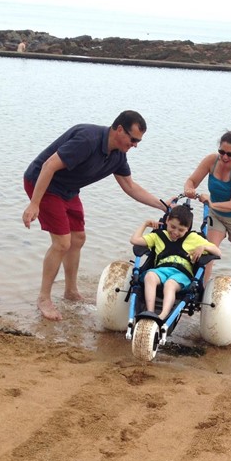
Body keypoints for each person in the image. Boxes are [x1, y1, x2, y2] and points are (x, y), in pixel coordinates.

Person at [22, 110, 165, 321]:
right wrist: (34, 203)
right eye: (133, 139)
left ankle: (70, 291)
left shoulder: (118, 155)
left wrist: (162, 205)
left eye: (138, 141)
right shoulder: (87, 140)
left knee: (78, 238)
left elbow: (130, 186)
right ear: (119, 130)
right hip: (43, 184)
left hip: (68, 189)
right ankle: (44, 298)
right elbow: (49, 165)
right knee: (62, 242)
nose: (135, 145)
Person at [130, 204, 221, 326]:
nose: (175, 232)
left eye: (181, 230)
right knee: (149, 276)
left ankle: (162, 316)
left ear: (187, 229)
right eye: (173, 227)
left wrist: (203, 247)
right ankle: (150, 312)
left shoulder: (193, 238)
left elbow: (218, 252)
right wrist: (145, 224)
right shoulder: (158, 236)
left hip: (181, 275)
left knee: (170, 284)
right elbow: (134, 240)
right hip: (160, 270)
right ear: (167, 221)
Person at [183, 130, 231, 285]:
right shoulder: (211, 160)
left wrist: (211, 203)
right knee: (208, 252)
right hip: (217, 215)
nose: (224, 157)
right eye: (221, 152)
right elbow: (192, 180)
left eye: (230, 154)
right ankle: (201, 288)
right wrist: (189, 189)